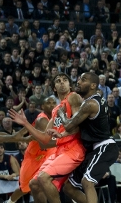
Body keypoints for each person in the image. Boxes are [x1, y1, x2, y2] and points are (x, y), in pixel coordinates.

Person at [9, 73, 85, 203]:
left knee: (43, 178)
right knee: (34, 184)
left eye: (65, 80)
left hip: (74, 148)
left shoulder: (73, 97)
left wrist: (62, 136)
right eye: (58, 81)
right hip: (60, 150)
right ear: (54, 88)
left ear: (70, 85)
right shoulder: (56, 110)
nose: (62, 82)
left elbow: (80, 123)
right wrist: (25, 123)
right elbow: (44, 139)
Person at [51, 72, 119, 203]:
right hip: (94, 150)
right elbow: (81, 127)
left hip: (104, 147)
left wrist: (61, 113)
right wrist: (61, 135)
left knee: (87, 182)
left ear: (93, 85)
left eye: (83, 80)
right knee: (68, 188)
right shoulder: (90, 102)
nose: (78, 82)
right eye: (79, 79)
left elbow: (69, 125)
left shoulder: (90, 104)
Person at [4, 97, 57, 203]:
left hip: (49, 154)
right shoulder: (42, 120)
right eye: (48, 103)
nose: (52, 105)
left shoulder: (57, 117)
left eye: (54, 103)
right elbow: (43, 144)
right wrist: (64, 139)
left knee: (56, 182)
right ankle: (10, 201)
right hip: (35, 156)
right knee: (24, 188)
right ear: (42, 107)